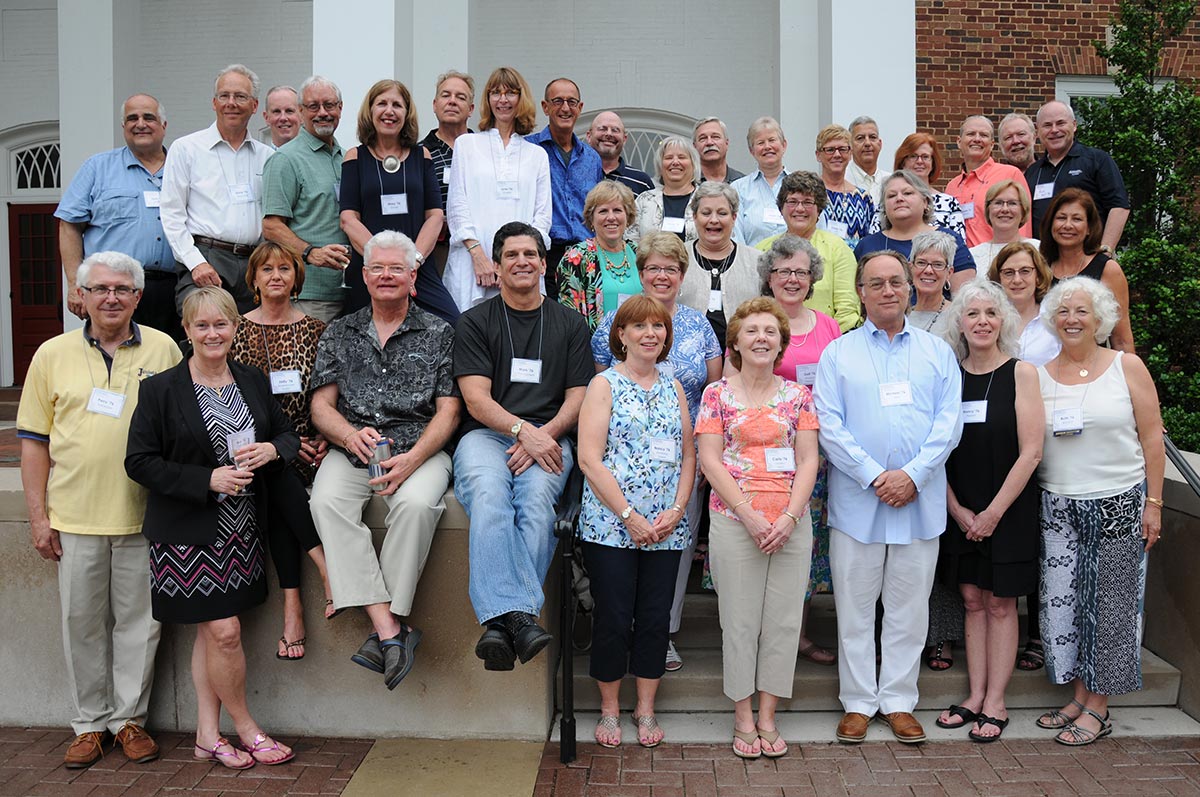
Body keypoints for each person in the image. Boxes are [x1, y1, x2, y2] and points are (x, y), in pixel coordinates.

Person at [18, 251, 181, 769]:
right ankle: (89, 724)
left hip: (143, 515)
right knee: (81, 622)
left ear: (138, 296)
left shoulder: (164, 349)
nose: (111, 297)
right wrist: (38, 517)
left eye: (122, 289)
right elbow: (34, 444)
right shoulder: (50, 354)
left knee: (140, 623)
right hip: (75, 517)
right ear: (81, 297)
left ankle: (128, 720)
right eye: (100, 289)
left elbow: (184, 429)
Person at [125, 286, 298, 770]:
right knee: (223, 632)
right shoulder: (161, 389)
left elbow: (285, 433)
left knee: (211, 636)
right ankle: (246, 728)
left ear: (235, 328)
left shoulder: (252, 380)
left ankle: (206, 736)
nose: (212, 333)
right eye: (201, 325)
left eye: (221, 323)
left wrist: (272, 450)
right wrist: (207, 478)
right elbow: (138, 461)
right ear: (186, 331)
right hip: (186, 534)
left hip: (241, 529)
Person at [815, 251, 963, 745]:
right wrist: (878, 476)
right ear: (860, 291)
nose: (887, 291)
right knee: (855, 610)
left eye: (895, 282)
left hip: (918, 504)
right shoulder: (839, 353)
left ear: (909, 287)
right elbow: (829, 426)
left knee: (909, 609)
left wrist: (913, 476)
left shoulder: (937, 352)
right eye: (876, 283)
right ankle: (858, 703)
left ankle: (899, 701)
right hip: (859, 504)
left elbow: (949, 424)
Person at [308, 231, 459, 690]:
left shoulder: (440, 333)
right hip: (351, 450)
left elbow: (449, 410)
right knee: (325, 502)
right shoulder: (340, 330)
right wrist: (349, 435)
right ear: (364, 275)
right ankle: (391, 628)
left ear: (414, 277)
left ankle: (386, 628)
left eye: (397, 268)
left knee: (415, 507)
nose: (386, 276)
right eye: (378, 268)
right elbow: (320, 408)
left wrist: (414, 458)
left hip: (419, 449)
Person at [453, 221, 594, 671]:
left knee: (535, 504)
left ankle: (499, 626)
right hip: (488, 435)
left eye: (530, 254)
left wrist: (543, 434)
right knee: (490, 496)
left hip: (551, 433)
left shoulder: (570, 324)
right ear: (496, 266)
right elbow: (475, 398)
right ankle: (522, 618)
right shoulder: (475, 321)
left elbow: (579, 396)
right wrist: (521, 432)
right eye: (511, 255)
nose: (521, 262)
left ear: (544, 263)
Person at [1034, 276, 1164, 746]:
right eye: (1063, 311)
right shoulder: (1040, 373)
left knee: (1110, 606)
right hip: (1057, 503)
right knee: (1063, 605)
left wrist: (1154, 503)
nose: (1071, 319)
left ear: (1100, 319)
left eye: (1082, 311)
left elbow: (1153, 437)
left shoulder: (1126, 366)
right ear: (1052, 320)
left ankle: (1099, 706)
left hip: (1119, 499)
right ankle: (1078, 695)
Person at [591, 232, 722, 673]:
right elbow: (601, 388)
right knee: (623, 566)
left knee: (675, 549)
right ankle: (621, 636)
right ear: (640, 273)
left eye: (671, 268)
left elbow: (712, 387)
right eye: (653, 268)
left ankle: (661, 633)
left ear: (682, 276)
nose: (661, 275)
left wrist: (704, 454)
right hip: (621, 458)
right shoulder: (614, 320)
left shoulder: (698, 324)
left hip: (684, 456)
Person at [696, 297, 820, 760]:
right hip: (734, 520)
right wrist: (748, 512)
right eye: (752, 331)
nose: (762, 338)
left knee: (784, 622)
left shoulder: (798, 396)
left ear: (781, 343)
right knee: (741, 622)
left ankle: (769, 714)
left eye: (771, 331)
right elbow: (710, 458)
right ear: (735, 343)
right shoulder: (716, 395)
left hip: (791, 522)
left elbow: (809, 458)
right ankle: (743, 715)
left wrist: (788, 516)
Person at [578, 295, 695, 749]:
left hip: (666, 528)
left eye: (659, 326)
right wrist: (628, 515)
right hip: (612, 527)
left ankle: (645, 709)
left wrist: (679, 508)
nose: (651, 333)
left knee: (653, 619)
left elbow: (687, 452)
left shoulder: (674, 386)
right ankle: (610, 709)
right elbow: (589, 458)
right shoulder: (603, 384)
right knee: (613, 617)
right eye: (640, 326)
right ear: (621, 336)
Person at [934, 280, 1043, 743]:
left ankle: (996, 700)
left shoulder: (1022, 373)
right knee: (972, 600)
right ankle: (974, 695)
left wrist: (994, 512)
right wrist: (958, 510)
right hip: (959, 508)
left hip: (1009, 508)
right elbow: (933, 451)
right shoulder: (947, 376)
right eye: (972, 313)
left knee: (1001, 603)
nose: (981, 321)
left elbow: (1032, 451)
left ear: (1003, 322)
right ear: (959, 322)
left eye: (990, 314)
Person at [228, 241, 333, 658]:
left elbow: (328, 395)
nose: (276, 275)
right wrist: (280, 446)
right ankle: (325, 571)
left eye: (285, 268)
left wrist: (320, 437)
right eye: (266, 269)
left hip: (311, 446)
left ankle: (293, 607)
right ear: (253, 279)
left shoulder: (316, 329)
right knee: (272, 469)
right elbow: (228, 398)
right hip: (256, 447)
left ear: (297, 277)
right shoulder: (234, 330)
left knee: (278, 479)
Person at [750, 236, 842, 665]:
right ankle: (757, 636)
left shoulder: (828, 326)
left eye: (800, 272)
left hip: (814, 456)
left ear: (812, 278)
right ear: (769, 277)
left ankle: (798, 635)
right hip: (761, 453)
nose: (792, 279)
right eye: (783, 271)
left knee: (802, 545)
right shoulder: (754, 318)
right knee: (759, 541)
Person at [56, 93, 181, 339]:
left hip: (172, 290)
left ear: (163, 125)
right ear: (124, 127)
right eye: (132, 118)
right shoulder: (97, 168)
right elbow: (69, 226)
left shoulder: (183, 168)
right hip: (114, 291)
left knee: (170, 363)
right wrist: (74, 284)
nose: (140, 124)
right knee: (112, 357)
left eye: (149, 117)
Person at [988, 241, 1059, 672]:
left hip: (1049, 436)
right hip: (1000, 441)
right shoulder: (989, 318)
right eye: (1009, 272)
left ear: (1039, 277)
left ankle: (1036, 633)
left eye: (1025, 271)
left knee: (1039, 532)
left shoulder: (1054, 323)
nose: (1017, 279)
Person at [161, 64, 274, 315]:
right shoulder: (186, 149)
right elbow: (171, 215)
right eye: (224, 96)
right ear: (214, 102)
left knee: (248, 345)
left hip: (252, 264)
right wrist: (196, 263)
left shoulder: (267, 156)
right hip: (206, 257)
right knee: (205, 335)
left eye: (240, 96)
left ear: (254, 106)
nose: (231, 103)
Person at [340, 79, 453, 322]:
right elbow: (348, 219)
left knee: (453, 324)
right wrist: (382, 263)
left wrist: (413, 261)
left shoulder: (421, 155)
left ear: (406, 112)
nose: (389, 111)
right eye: (381, 103)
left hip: (418, 268)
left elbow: (435, 216)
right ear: (370, 111)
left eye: (397, 105)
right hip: (370, 270)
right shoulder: (355, 157)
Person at [443, 66, 551, 312]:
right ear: (487, 99)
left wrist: (513, 263)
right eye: (495, 93)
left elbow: (542, 218)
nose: (503, 100)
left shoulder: (537, 155)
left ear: (521, 98)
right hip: (472, 266)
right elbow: (457, 205)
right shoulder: (467, 145)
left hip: (521, 269)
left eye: (510, 93)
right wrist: (480, 257)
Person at [262, 76, 352, 323]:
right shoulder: (286, 160)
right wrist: (310, 252)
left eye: (329, 105)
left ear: (341, 109)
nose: (322, 113)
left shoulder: (347, 158)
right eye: (313, 106)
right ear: (301, 112)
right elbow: (271, 225)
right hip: (309, 294)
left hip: (349, 292)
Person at [755, 171, 861, 332]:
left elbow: (847, 310)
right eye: (792, 201)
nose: (799, 208)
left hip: (825, 345)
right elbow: (755, 303)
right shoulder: (762, 249)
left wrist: (822, 342)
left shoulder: (837, 249)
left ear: (819, 209)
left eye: (808, 202)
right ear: (781, 208)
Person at [527, 77, 603, 297]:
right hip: (546, 254)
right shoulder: (530, 149)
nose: (565, 108)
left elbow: (596, 208)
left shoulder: (591, 158)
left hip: (585, 256)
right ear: (545, 106)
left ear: (580, 108)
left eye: (571, 102)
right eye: (558, 101)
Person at [1026, 101, 1130, 252]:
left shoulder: (1097, 160)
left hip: (1088, 257)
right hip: (1044, 262)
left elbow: (1119, 207)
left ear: (1074, 125)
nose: (1054, 130)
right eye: (1047, 125)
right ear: (1038, 131)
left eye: (1060, 123)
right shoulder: (1033, 172)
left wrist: (1105, 251)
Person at [1040, 188, 1134, 353]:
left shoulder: (1107, 269)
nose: (1067, 225)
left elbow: (1121, 339)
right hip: (1046, 370)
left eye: (1077, 219)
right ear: (1051, 224)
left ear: (1090, 227)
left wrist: (1128, 375)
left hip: (1095, 369)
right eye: (1061, 218)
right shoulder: (1040, 268)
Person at [854, 171, 976, 292]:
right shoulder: (866, 245)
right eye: (891, 196)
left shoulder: (950, 240)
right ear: (884, 207)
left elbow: (963, 300)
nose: (899, 199)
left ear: (925, 202)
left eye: (907, 193)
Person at [678, 181, 761, 345]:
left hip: (743, 359)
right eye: (706, 213)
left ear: (734, 217)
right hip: (686, 360)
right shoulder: (677, 257)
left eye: (722, 213)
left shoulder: (758, 261)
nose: (714, 220)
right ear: (694, 216)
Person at [556, 180, 640, 330]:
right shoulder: (576, 258)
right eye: (603, 211)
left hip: (640, 347)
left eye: (617, 210)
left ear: (628, 217)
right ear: (591, 219)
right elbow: (569, 318)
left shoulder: (640, 253)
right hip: (594, 349)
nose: (611, 217)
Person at [418, 70, 476, 279]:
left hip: (479, 250)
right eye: (446, 95)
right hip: (437, 250)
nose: (452, 101)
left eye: (460, 97)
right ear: (435, 105)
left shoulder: (484, 151)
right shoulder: (419, 153)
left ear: (470, 109)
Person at [946, 116, 1032, 247]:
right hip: (960, 264)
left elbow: (1023, 224)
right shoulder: (952, 186)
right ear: (959, 142)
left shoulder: (1009, 174)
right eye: (971, 134)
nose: (977, 139)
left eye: (984, 135)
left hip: (1000, 261)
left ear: (992, 144)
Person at [873, 132, 965, 242]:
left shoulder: (949, 203)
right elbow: (875, 240)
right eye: (913, 156)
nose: (920, 161)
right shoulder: (890, 200)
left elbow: (959, 244)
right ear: (903, 162)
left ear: (933, 163)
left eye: (925, 157)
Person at [629, 136, 700, 243]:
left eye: (681, 157)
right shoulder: (644, 200)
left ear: (693, 165)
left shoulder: (705, 199)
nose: (675, 162)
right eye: (668, 158)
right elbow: (631, 242)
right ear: (660, 166)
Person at [731, 117, 789, 246]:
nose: (767, 146)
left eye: (772, 140)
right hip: (753, 264)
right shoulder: (738, 189)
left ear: (784, 145)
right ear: (752, 151)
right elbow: (736, 237)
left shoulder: (801, 186)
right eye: (760, 143)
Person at [815, 124, 874, 248]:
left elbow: (870, 241)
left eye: (842, 149)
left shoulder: (863, 198)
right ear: (818, 155)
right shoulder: (809, 194)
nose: (837, 155)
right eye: (830, 150)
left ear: (850, 154)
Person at [969, 180, 1039, 272]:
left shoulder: (1039, 249)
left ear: (1023, 210)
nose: (1005, 209)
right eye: (998, 203)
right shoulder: (972, 255)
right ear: (988, 209)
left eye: (1012, 203)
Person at [907, 231, 959, 338]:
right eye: (921, 263)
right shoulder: (901, 318)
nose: (929, 270)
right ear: (911, 268)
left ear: (949, 272)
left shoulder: (959, 316)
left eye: (938, 264)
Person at [588, 111, 654, 195]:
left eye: (615, 130)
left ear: (624, 139)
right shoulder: (574, 174)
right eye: (602, 129)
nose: (609, 133)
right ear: (589, 136)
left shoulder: (642, 183)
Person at [847, 116, 890, 204]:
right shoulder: (842, 180)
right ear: (850, 146)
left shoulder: (890, 181)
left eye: (872, 137)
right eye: (860, 138)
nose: (867, 143)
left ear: (880, 144)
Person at [693, 117, 745, 184]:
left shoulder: (743, 183)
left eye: (715, 137)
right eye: (703, 138)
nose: (709, 142)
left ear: (726, 143)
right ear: (694, 146)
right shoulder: (687, 182)